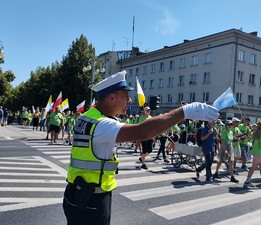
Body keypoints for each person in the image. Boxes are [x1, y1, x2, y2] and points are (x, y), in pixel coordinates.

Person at [62, 70, 219, 225]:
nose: (129, 101)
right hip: (91, 199)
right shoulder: (102, 124)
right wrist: (184, 112)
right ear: (111, 97)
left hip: (76, 194)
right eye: (126, 96)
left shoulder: (88, 118)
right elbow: (142, 131)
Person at [244, 121, 261, 187]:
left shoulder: (254, 132)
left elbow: (249, 140)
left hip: (256, 152)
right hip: (258, 153)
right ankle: (247, 181)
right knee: (253, 168)